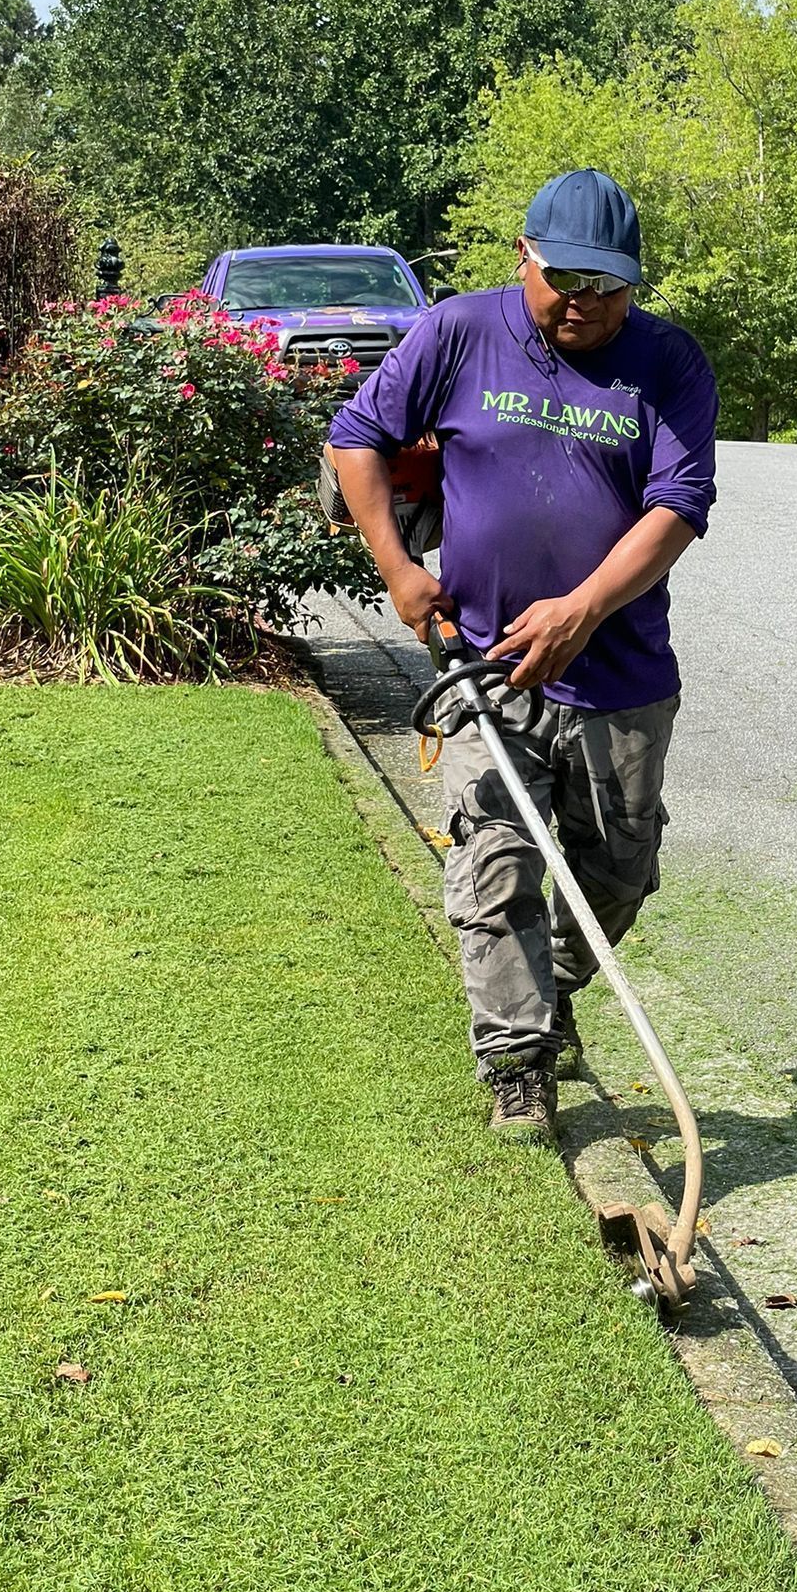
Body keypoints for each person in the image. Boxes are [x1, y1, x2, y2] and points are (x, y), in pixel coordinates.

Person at [327, 169, 718, 1143]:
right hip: (482, 666)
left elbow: (678, 506)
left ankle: (554, 987)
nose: (586, 303)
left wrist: (583, 609)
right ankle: (518, 1062)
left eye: (609, 286)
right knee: (494, 862)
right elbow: (357, 435)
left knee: (619, 872)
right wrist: (397, 568)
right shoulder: (460, 332)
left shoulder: (669, 362)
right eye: (566, 281)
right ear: (523, 257)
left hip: (621, 673)